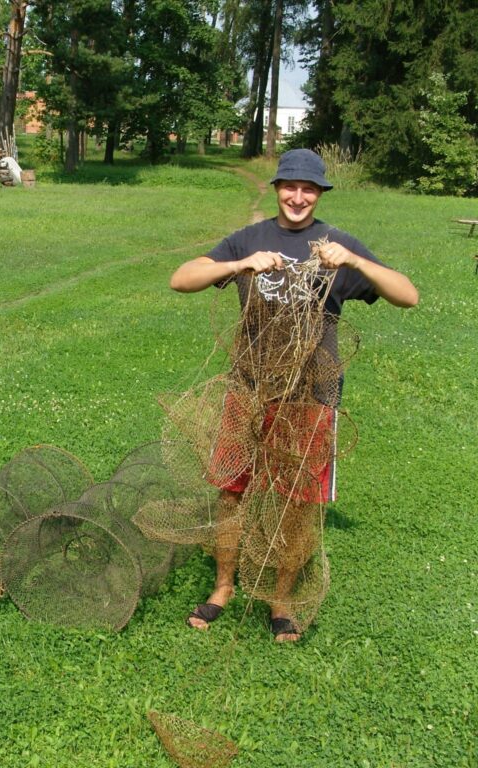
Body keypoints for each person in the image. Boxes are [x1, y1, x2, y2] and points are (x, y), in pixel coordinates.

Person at [168, 148, 418, 642]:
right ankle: (223, 588)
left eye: (309, 189)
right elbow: (181, 279)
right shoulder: (251, 239)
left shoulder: (339, 244)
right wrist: (240, 264)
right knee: (231, 490)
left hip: (311, 397)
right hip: (249, 387)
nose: (298, 197)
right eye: (290, 187)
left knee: (297, 501)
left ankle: (281, 601)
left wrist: (355, 261)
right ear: (277, 188)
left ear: (320, 194)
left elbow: (407, 294)